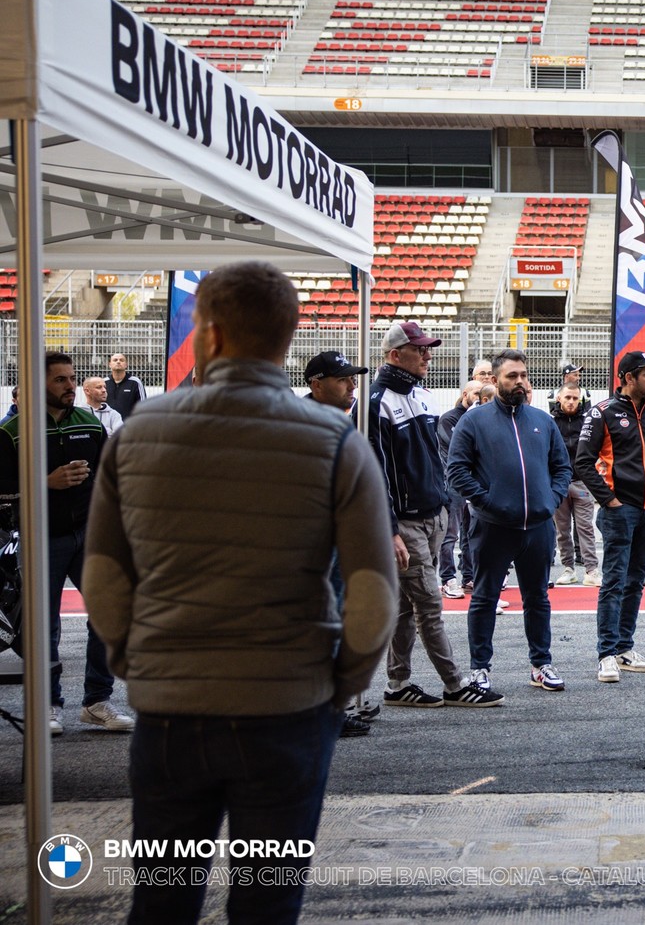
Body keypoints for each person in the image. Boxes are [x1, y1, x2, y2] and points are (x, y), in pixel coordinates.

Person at [82, 261, 398, 924]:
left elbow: (104, 576)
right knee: (266, 901)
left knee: (163, 898)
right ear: (287, 341)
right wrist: (342, 682)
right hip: (286, 707)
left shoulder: (135, 433)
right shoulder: (337, 440)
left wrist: (128, 660)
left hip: (169, 709)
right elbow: (372, 590)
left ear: (210, 334)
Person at [370, 320, 502, 709]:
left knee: (405, 607)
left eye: (429, 348)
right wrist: (391, 529)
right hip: (406, 521)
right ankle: (454, 683)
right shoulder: (376, 401)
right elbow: (374, 473)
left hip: (433, 514)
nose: (429, 354)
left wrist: (444, 502)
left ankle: (397, 685)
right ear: (396, 355)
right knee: (429, 604)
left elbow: (435, 458)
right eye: (421, 349)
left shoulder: (423, 396)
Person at [0, 351, 134, 736]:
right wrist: (44, 483)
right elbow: (2, 494)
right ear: (37, 384)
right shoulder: (12, 432)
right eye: (60, 380)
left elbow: (111, 476)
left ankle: (96, 701)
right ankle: (49, 704)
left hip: (90, 535)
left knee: (109, 614)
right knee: (44, 626)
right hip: (41, 538)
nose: (70, 386)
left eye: (72, 379)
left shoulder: (90, 425)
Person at [448, 349, 572, 694]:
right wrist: (489, 502)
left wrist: (551, 499)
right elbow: (456, 471)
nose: (519, 381)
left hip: (538, 527)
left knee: (537, 598)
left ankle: (541, 664)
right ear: (496, 380)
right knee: (485, 596)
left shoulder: (542, 420)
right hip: (493, 527)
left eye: (523, 375)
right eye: (511, 376)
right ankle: (479, 669)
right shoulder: (474, 421)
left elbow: (562, 468)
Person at [574, 351, 645, 682]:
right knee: (614, 581)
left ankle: (624, 647)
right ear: (628, 378)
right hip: (620, 510)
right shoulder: (601, 412)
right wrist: (609, 501)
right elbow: (583, 462)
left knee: (636, 581)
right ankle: (606, 654)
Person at [303, 349, 378, 738]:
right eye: (343, 379)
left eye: (353, 377)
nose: (352, 384)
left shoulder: (339, 419)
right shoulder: (302, 423)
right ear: (316, 384)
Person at [437, 379, 484, 600]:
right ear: (465, 394)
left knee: (470, 534)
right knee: (450, 533)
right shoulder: (449, 419)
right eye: (475, 393)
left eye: (480, 394)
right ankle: (448, 579)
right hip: (453, 485)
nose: (477, 397)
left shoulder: (478, 419)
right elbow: (456, 449)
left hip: (472, 484)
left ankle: (469, 577)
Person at [551, 385, 601, 587]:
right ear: (559, 399)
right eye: (567, 397)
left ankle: (592, 570)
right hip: (559, 483)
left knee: (585, 528)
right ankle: (568, 569)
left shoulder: (588, 422)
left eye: (575, 398)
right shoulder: (551, 423)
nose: (571, 401)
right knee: (562, 530)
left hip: (582, 482)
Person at [105, 351, 146, 420]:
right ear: (110, 364)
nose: (118, 362)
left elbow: (143, 405)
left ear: (126, 365)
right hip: (108, 427)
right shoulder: (103, 383)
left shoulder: (135, 382)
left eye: (121, 360)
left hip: (128, 426)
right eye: (115, 360)